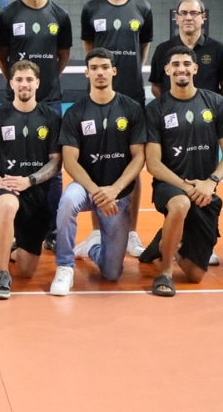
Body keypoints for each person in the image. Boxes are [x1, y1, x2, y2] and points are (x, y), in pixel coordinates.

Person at [50, 48, 147, 296]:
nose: (100, 72)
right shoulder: (76, 112)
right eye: (94, 68)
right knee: (68, 201)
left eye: (104, 67)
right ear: (87, 73)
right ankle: (64, 266)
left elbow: (139, 158)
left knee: (112, 273)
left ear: (113, 71)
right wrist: (95, 191)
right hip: (86, 187)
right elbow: (70, 162)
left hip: (117, 191)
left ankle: (93, 246)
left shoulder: (132, 109)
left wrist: (114, 190)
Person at [142, 46, 223, 297]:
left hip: (206, 189)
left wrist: (211, 182)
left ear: (195, 68)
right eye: (175, 64)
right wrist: (187, 187)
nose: (181, 68)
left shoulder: (215, 103)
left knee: (195, 276)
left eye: (186, 63)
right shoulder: (155, 109)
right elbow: (153, 164)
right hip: (170, 186)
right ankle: (164, 271)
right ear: (167, 70)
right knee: (181, 204)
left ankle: (166, 242)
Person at [78, 0, 154, 258]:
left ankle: (131, 231)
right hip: (97, 101)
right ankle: (97, 231)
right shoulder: (91, 8)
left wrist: (130, 72)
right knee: (96, 162)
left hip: (132, 96)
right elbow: (89, 50)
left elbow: (143, 48)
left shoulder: (143, 8)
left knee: (133, 166)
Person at [0, 0, 72, 251]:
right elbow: (3, 56)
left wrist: (44, 82)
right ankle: (21, 230)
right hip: (15, 101)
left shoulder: (59, 15)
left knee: (53, 165)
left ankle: (52, 228)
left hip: (50, 99)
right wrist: (20, 85)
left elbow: (63, 54)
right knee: (14, 162)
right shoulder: (8, 14)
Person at [0, 60, 61, 299]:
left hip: (37, 192)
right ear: (11, 83)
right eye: (19, 80)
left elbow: (56, 162)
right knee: (8, 205)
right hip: (7, 187)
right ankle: (2, 274)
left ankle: (11, 248)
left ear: (38, 83)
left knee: (27, 270)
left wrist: (30, 180)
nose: (24, 84)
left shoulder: (51, 117)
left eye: (29, 80)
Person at [148, 0, 223, 99]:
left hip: (208, 113)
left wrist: (214, 106)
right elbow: (156, 86)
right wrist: (169, 105)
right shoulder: (162, 50)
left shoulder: (218, 49)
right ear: (177, 18)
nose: (188, 18)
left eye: (194, 13)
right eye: (183, 13)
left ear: (203, 17)